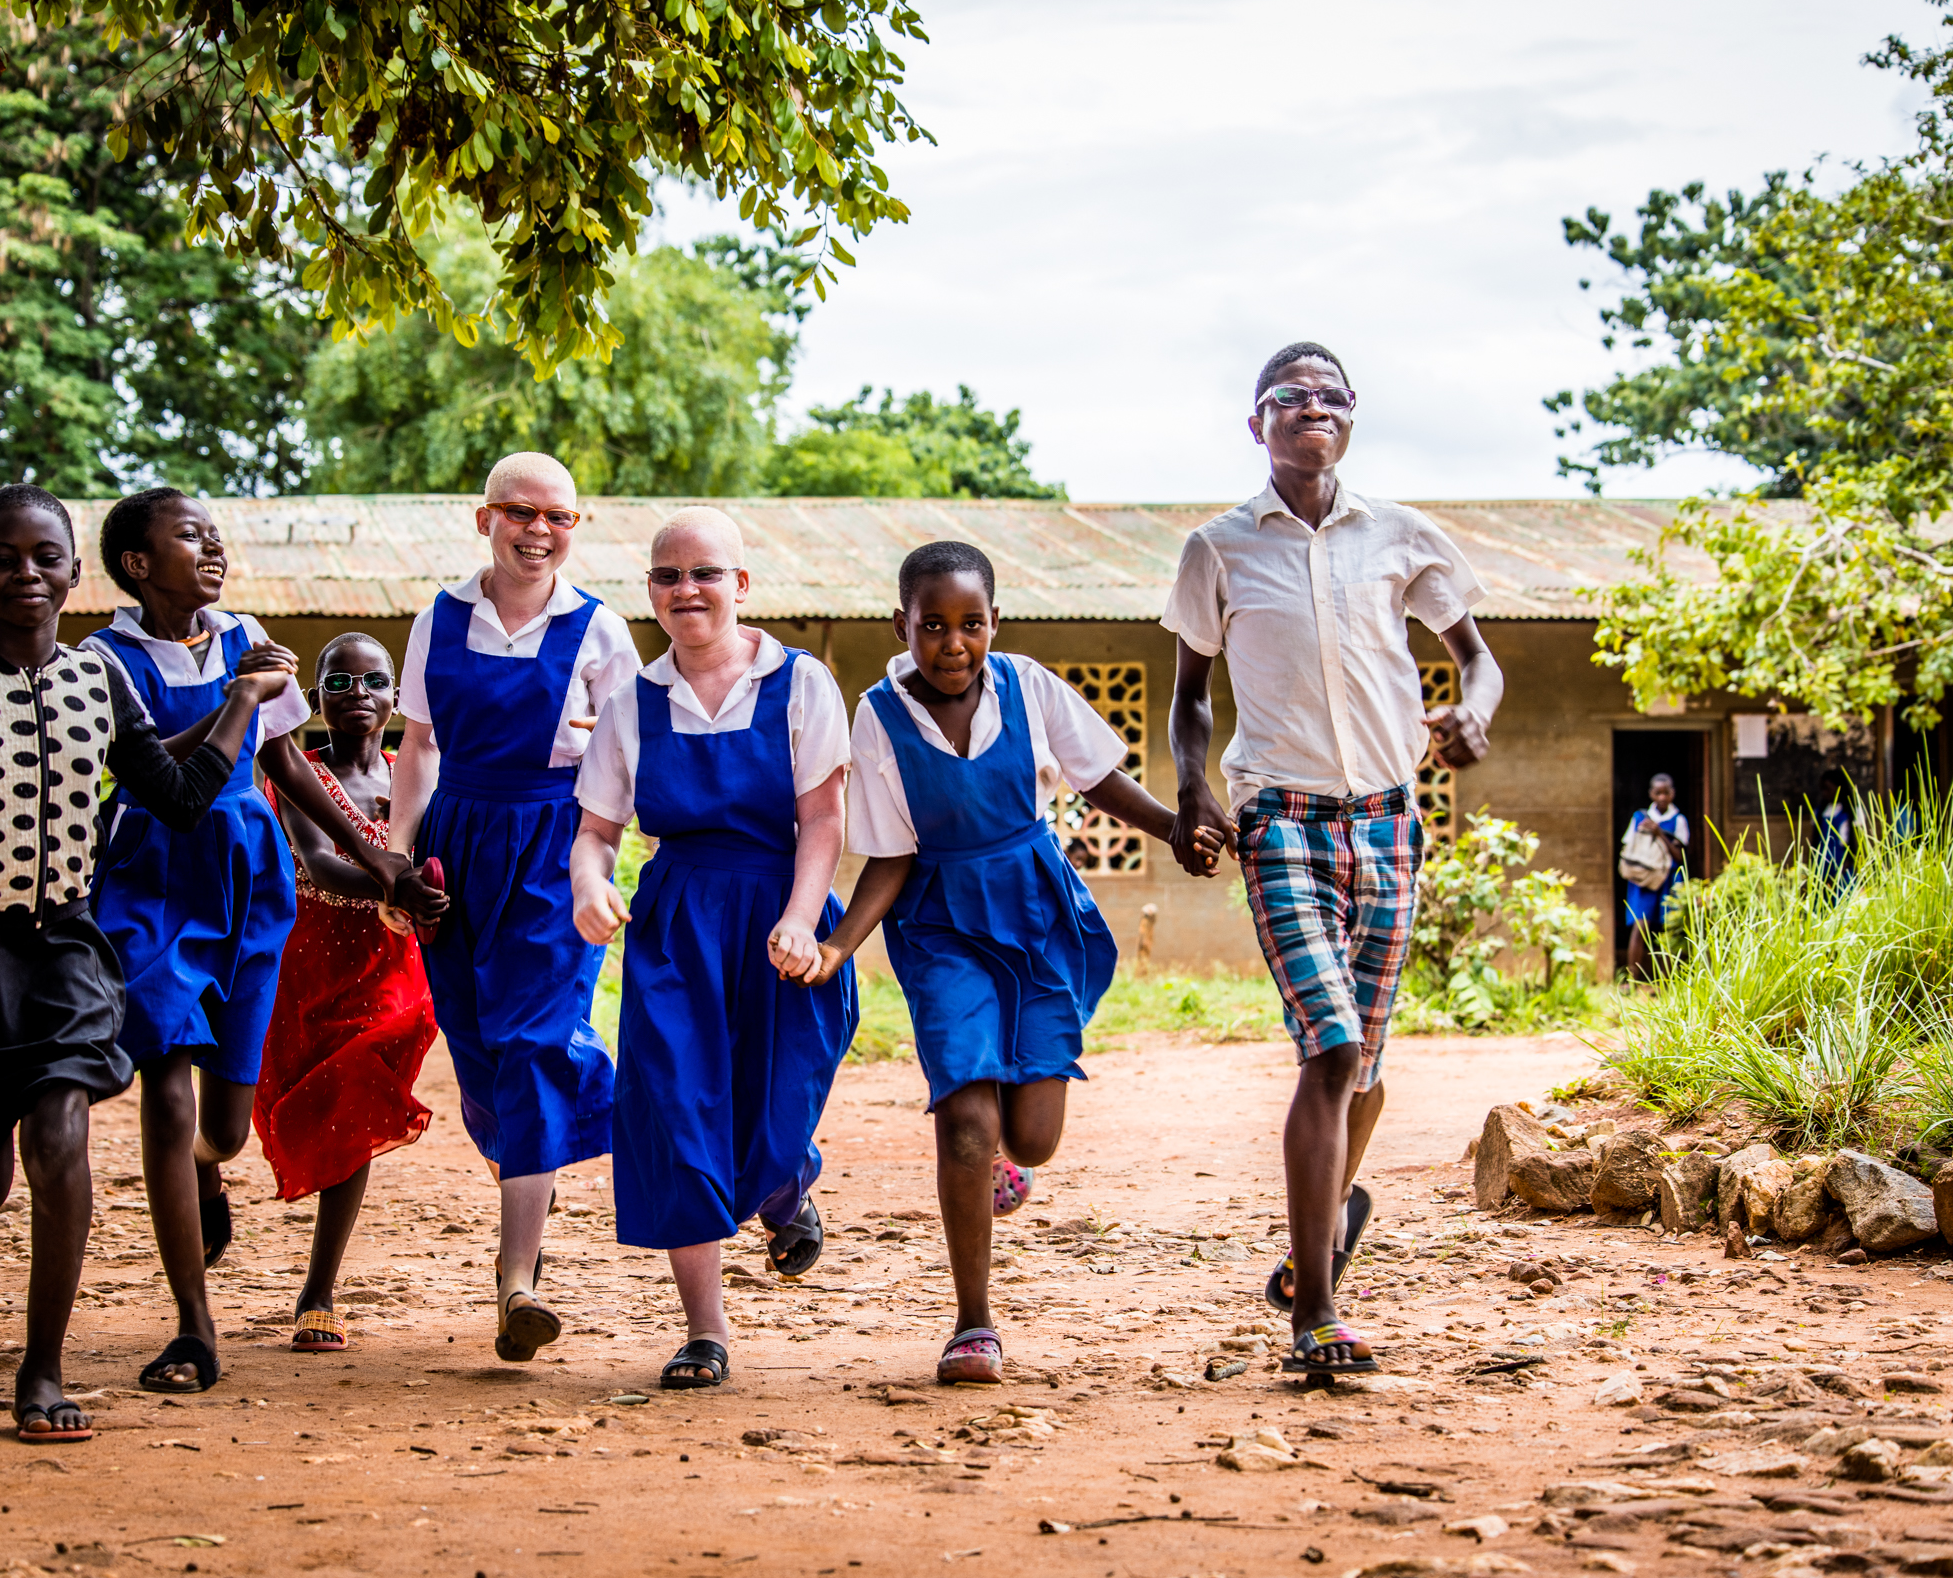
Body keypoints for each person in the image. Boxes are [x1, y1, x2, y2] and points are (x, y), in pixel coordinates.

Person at [0, 483, 281, 1443]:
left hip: (63, 947)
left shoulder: (100, 680)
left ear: (71, 574)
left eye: (45, 557)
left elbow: (176, 794)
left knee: (62, 1137)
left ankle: (43, 1371)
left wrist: (241, 701)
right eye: (4, 558)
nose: (26, 574)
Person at [1164, 342, 1502, 1380]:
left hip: (1390, 821)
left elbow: (1477, 658)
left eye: (1333, 395)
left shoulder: (1402, 535)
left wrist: (1473, 712)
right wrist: (1193, 786)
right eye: (1292, 395)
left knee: (1370, 1066)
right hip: (1281, 822)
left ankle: (1328, 1212)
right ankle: (1315, 1307)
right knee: (1333, 1048)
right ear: (1257, 422)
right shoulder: (1218, 548)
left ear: (1351, 418)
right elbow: (1189, 696)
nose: (1314, 406)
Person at [803, 541, 1201, 1386]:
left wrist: (1174, 828)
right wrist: (840, 943)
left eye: (972, 624)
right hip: (939, 923)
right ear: (902, 625)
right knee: (966, 1118)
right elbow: (890, 854)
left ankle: (1003, 1159)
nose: (954, 644)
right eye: (933, 626)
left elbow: (1098, 777)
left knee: (1033, 1137)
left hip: (1033, 910)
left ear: (995, 622)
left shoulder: (1027, 686)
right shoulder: (877, 716)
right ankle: (972, 1322)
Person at [85, 488, 424, 1395]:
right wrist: (239, 694)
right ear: (137, 564)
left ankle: (207, 1170)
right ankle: (193, 1326)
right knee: (166, 1089)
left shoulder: (247, 636)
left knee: (226, 1128)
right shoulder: (104, 660)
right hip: (153, 877)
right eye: (189, 536)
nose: (213, 548)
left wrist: (378, 858)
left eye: (216, 535)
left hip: (247, 874)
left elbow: (282, 762)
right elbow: (149, 769)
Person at [568, 508, 857, 1391]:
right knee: (675, 1112)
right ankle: (706, 1329)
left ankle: (786, 1185)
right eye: (667, 575)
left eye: (705, 573)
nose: (686, 589)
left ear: (741, 583)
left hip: (781, 912)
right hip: (677, 928)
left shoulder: (800, 682)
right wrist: (589, 885)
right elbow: (596, 832)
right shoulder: (632, 702)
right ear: (651, 591)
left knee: (776, 1115)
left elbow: (823, 819)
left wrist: (802, 919)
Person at [385, 452, 640, 1363]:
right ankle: (544, 1153)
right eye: (521, 512)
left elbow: (630, 757)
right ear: (484, 517)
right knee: (479, 1050)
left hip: (554, 846)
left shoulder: (600, 628)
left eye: (558, 517)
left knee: (532, 1043)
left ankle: (517, 1278)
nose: (540, 530)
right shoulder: (439, 617)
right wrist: (397, 858)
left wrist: (595, 777)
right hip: (456, 844)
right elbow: (419, 745)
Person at [252, 633, 443, 1353]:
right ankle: (207, 1170)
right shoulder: (297, 773)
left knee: (356, 1101)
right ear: (315, 698)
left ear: (396, 695)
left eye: (373, 680)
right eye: (338, 681)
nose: (356, 693)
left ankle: (318, 1290)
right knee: (285, 1108)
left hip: (392, 971)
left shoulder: (413, 778)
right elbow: (321, 865)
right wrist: (400, 886)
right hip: (310, 971)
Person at [1620, 772, 1690, 979]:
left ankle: (1666, 981)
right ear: (1651, 794)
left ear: (1672, 794)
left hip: (1669, 879)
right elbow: (1628, 848)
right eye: (1658, 793)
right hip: (1644, 879)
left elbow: (1679, 856)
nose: (1662, 797)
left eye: (1666, 793)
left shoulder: (1678, 820)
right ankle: (1633, 979)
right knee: (1640, 926)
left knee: (1668, 928)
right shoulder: (1639, 818)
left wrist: (1659, 834)